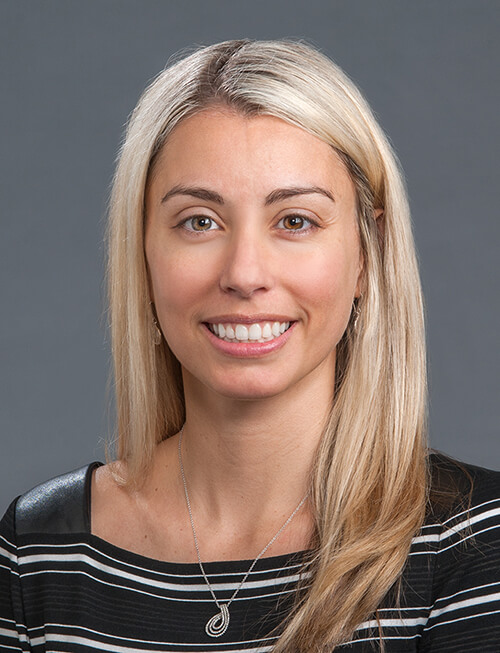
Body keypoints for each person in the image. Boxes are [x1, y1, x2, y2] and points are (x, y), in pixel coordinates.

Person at [1, 39, 499, 653]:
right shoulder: (38, 551)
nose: (244, 272)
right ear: (143, 254)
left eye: (295, 220)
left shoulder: (477, 545)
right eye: (199, 221)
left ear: (367, 255)